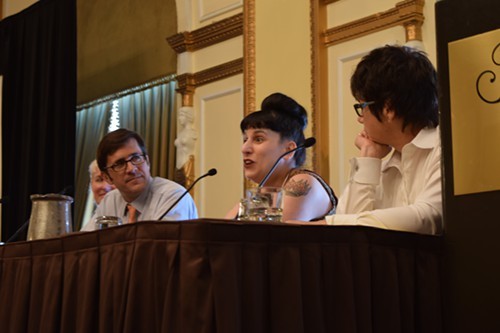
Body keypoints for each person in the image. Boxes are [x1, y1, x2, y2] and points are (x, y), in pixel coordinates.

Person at [289, 45, 442, 235]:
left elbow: (428, 217)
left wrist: (328, 224)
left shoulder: (444, 148)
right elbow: (349, 233)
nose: (360, 118)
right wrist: (369, 159)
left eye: (362, 106)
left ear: (388, 108)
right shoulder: (386, 161)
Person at [225, 92, 337, 221]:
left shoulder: (301, 182)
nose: (245, 149)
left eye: (258, 139)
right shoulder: (260, 194)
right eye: (245, 140)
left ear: (289, 150)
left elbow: (270, 238)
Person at [81, 128, 198, 231]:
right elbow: (84, 243)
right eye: (120, 164)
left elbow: (161, 252)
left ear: (147, 161)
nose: (131, 169)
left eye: (136, 158)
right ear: (107, 177)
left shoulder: (173, 196)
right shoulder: (110, 201)